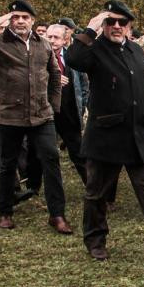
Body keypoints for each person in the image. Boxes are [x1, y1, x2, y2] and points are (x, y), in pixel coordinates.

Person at [66, 1, 144, 262]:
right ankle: (95, 241)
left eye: (122, 22)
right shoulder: (95, 49)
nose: (116, 27)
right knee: (97, 193)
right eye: (110, 22)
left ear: (129, 26)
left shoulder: (135, 50)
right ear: (103, 24)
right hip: (106, 135)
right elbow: (74, 59)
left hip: (137, 134)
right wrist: (90, 29)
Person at [0, 0, 72, 234]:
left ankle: (57, 214)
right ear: (9, 20)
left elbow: (54, 73)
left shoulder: (43, 44)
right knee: (7, 164)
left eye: (25, 17)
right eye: (15, 17)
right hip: (9, 115)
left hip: (41, 115)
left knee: (51, 161)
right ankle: (5, 211)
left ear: (33, 20)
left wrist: (53, 105)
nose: (20, 21)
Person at [44, 24, 88, 183]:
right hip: (46, 112)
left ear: (64, 40)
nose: (52, 41)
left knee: (78, 151)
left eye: (56, 37)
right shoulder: (38, 57)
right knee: (45, 152)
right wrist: (51, 79)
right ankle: (34, 185)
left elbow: (84, 85)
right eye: (49, 37)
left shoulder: (72, 58)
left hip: (69, 112)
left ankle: (90, 185)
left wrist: (82, 107)